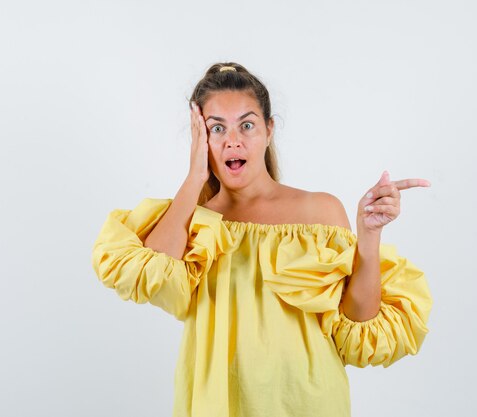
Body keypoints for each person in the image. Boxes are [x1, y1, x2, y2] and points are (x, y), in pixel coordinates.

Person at [91, 62, 433, 417]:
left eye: (247, 125)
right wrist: (194, 177)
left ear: (269, 130)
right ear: (199, 137)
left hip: (308, 402)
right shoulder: (192, 221)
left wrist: (370, 236)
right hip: (218, 405)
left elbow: (358, 328)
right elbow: (147, 275)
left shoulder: (319, 211)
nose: (233, 140)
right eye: (216, 128)